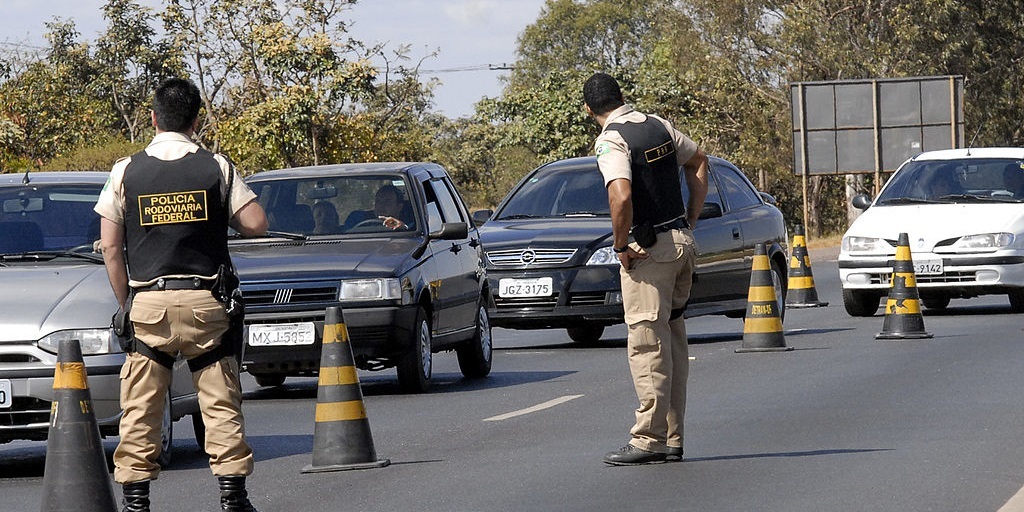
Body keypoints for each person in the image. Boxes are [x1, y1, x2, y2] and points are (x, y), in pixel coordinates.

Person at [94, 78, 268, 512]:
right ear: (195, 121)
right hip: (206, 303)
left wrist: (126, 304)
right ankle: (234, 499)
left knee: (141, 410)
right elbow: (257, 224)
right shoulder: (216, 167)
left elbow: (111, 247)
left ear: (153, 119)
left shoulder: (126, 170)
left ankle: (137, 503)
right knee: (220, 402)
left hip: (148, 304)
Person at [583, 72, 709, 466]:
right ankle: (672, 436)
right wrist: (690, 218)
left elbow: (620, 196)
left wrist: (621, 246)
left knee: (646, 344)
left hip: (648, 253)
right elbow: (700, 162)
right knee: (671, 340)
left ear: (589, 110)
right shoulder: (659, 125)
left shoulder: (611, 140)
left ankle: (648, 439)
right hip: (681, 244)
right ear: (621, 98)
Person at [344, 184, 413, 230]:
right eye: (378, 201)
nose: (381, 205)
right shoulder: (357, 218)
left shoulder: (412, 223)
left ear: (399, 207)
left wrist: (402, 228)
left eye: (387, 201)